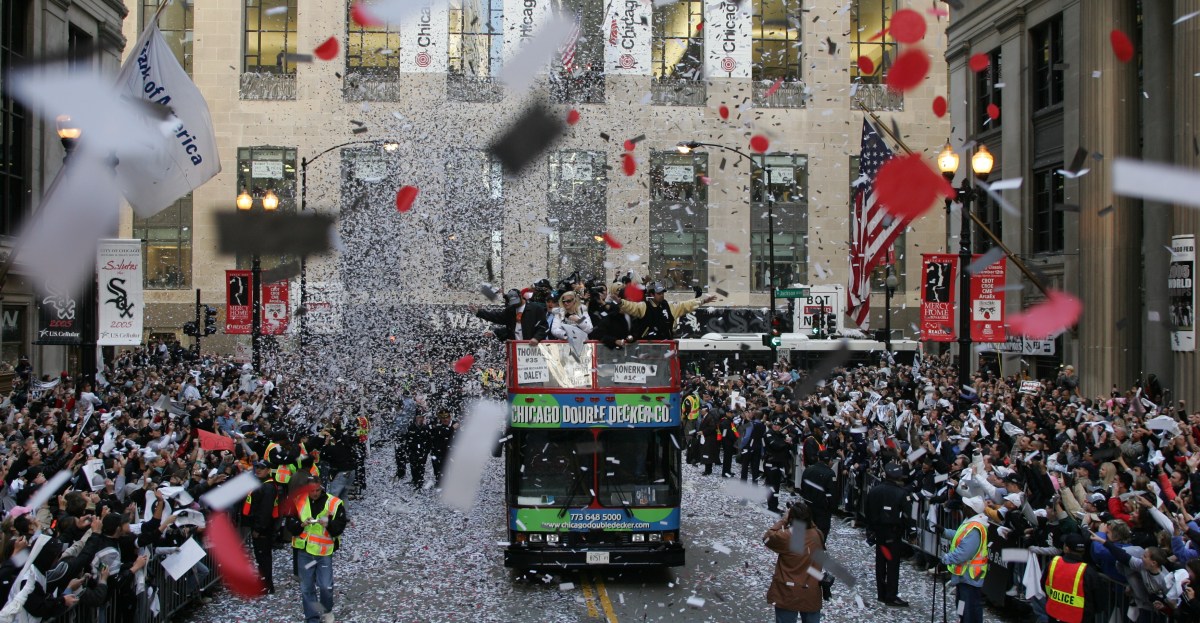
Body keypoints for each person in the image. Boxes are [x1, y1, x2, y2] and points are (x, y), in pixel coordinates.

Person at [285, 481, 348, 623]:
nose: (314, 493)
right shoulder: (298, 502)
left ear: (322, 489)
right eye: (311, 490)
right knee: (306, 587)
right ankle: (312, 618)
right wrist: (301, 524)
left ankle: (326, 610)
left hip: (324, 552)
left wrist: (328, 524)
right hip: (304, 551)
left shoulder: (334, 503)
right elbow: (290, 525)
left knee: (326, 586)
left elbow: (339, 527)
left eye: (317, 491)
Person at [763, 501, 825, 623]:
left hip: (788, 592)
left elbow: (767, 538)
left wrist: (784, 520)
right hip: (810, 591)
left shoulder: (788, 537)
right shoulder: (817, 535)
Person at [864, 462, 910, 607]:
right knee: (892, 564)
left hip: (879, 532)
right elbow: (907, 515)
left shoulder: (875, 491)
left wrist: (871, 529)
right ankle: (891, 594)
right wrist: (909, 530)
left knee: (880, 563)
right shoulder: (901, 493)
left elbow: (868, 510)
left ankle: (881, 593)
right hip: (893, 533)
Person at [942, 496, 990, 623]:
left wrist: (947, 559)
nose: (963, 507)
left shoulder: (975, 528)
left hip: (970, 575)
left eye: (966, 506)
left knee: (969, 607)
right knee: (962, 604)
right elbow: (960, 536)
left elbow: (964, 552)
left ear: (971, 510)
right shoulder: (971, 523)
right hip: (966, 575)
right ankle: (961, 619)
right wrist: (944, 532)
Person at [615, 283, 717, 341]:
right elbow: (632, 307)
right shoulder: (644, 306)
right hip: (647, 347)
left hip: (665, 347)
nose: (662, 295)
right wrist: (621, 302)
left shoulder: (668, 306)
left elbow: (685, 305)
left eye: (663, 293)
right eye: (659, 293)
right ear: (651, 294)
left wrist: (702, 301)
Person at [1043, 533, 1102, 623]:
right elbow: (1098, 600)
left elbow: (1043, 584)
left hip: (1054, 614)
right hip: (1080, 618)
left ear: (1066, 548)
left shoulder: (1053, 563)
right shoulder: (1089, 571)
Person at [243, 460, 279, 594]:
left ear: (268, 470)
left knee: (263, 557)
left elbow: (265, 511)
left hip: (263, 529)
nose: (258, 470)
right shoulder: (263, 485)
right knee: (261, 556)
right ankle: (264, 583)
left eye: (262, 468)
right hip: (262, 527)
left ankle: (266, 585)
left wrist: (258, 529)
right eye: (257, 467)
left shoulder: (268, 487)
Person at [472, 289, 549, 344]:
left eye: (516, 301)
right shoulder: (510, 310)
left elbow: (543, 326)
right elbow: (497, 317)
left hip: (532, 346)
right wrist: (479, 312)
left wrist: (536, 338)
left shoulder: (535, 309)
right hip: (515, 346)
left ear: (521, 296)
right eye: (513, 303)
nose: (515, 304)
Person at [800, 450, 836, 545]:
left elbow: (802, 486)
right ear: (829, 460)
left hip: (808, 505)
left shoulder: (808, 470)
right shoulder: (830, 474)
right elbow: (831, 493)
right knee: (821, 532)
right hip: (822, 509)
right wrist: (831, 507)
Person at [404, 413, 433, 491]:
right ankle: (415, 479)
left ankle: (419, 481)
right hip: (412, 450)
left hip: (422, 450)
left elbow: (429, 440)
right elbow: (407, 439)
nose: (420, 419)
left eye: (422, 417)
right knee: (413, 465)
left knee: (421, 465)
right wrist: (408, 449)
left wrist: (427, 450)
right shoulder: (411, 428)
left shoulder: (426, 428)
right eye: (419, 417)